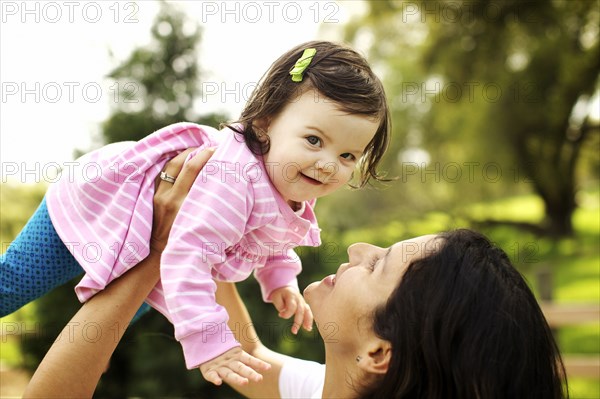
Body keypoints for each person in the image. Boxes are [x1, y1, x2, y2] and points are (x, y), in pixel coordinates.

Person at [24, 149, 568, 398]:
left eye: (378, 264)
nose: (356, 248)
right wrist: (212, 222)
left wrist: (154, 253)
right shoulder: (329, 388)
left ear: (380, 353)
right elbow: (250, 357)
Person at [1, 40, 391, 384]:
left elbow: (272, 237)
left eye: (347, 156)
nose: (327, 164)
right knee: (11, 283)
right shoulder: (235, 179)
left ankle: (86, 353)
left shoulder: (294, 181)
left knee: (107, 329)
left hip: (141, 246)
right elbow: (188, 255)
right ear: (265, 122)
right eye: (313, 140)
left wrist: (279, 279)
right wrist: (210, 341)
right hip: (97, 207)